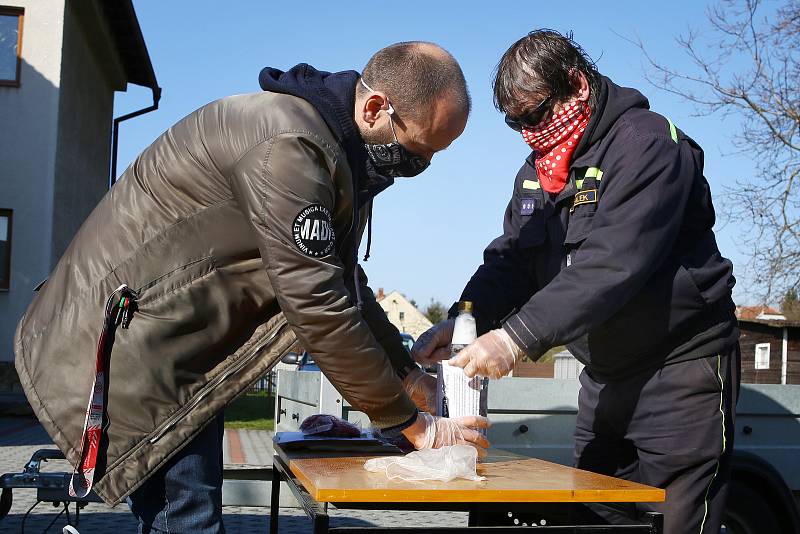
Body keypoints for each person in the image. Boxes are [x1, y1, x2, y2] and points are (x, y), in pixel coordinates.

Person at [14, 41, 488, 534]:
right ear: (374, 108)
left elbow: (345, 286)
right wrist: (413, 425)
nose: (418, 168)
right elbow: (318, 306)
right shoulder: (288, 148)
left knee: (188, 516)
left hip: (180, 347)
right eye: (418, 151)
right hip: (145, 352)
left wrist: (412, 379)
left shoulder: (334, 154)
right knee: (187, 521)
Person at [413, 30, 739, 534]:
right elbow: (512, 259)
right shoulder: (540, 171)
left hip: (680, 373)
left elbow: (613, 264)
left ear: (575, 85)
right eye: (514, 122)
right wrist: (465, 319)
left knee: (677, 522)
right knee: (593, 512)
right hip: (605, 378)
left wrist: (515, 338)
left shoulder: (646, 144)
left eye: (535, 115)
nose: (527, 132)